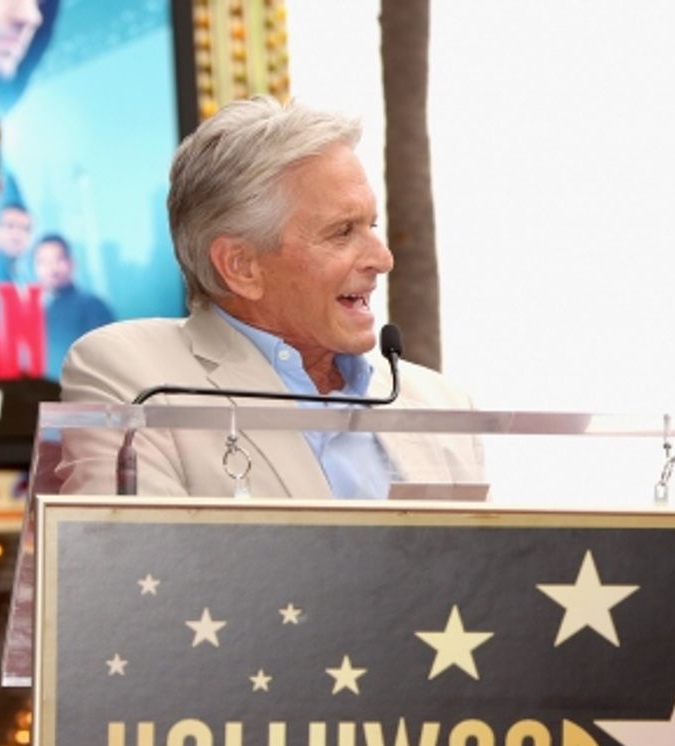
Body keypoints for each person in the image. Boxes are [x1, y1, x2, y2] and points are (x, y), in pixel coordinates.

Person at [58, 96, 482, 497]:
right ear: (242, 266)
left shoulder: (442, 407)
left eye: (372, 225)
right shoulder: (132, 379)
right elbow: (134, 566)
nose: (383, 258)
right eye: (342, 231)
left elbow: (483, 571)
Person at [32, 232, 112, 376]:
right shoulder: (36, 310)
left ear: (71, 263)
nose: (52, 268)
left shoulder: (92, 305)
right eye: (42, 261)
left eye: (58, 259)